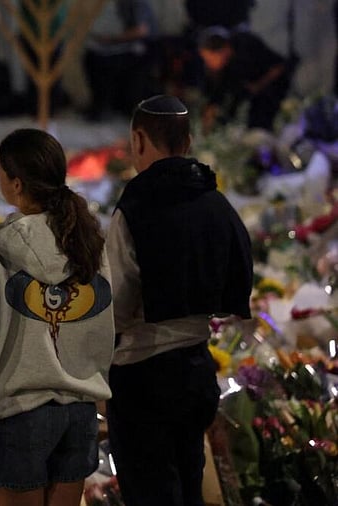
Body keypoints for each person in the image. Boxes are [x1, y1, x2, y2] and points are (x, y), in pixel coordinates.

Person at [0, 129, 115, 506]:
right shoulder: (90, 243)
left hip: (16, 412)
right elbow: (104, 330)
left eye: (0, 171)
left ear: (15, 183)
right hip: (79, 413)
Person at [105, 95, 253, 506]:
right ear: (187, 142)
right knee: (189, 486)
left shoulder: (135, 206)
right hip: (196, 368)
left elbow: (117, 299)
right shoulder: (215, 202)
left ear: (138, 139)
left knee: (151, 492)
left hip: (141, 378)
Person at [198, 26, 291, 131]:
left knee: (260, 119)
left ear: (222, 50)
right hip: (252, 87)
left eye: (209, 58)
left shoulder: (246, 46)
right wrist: (211, 107)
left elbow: (278, 67)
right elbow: (221, 88)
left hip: (274, 83)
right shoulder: (227, 64)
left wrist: (258, 85)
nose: (208, 63)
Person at [82, 0, 159, 121]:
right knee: (92, 58)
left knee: (106, 63)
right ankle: (100, 105)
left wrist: (109, 40)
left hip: (134, 49)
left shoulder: (135, 3)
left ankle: (115, 107)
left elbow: (141, 30)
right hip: (107, 47)